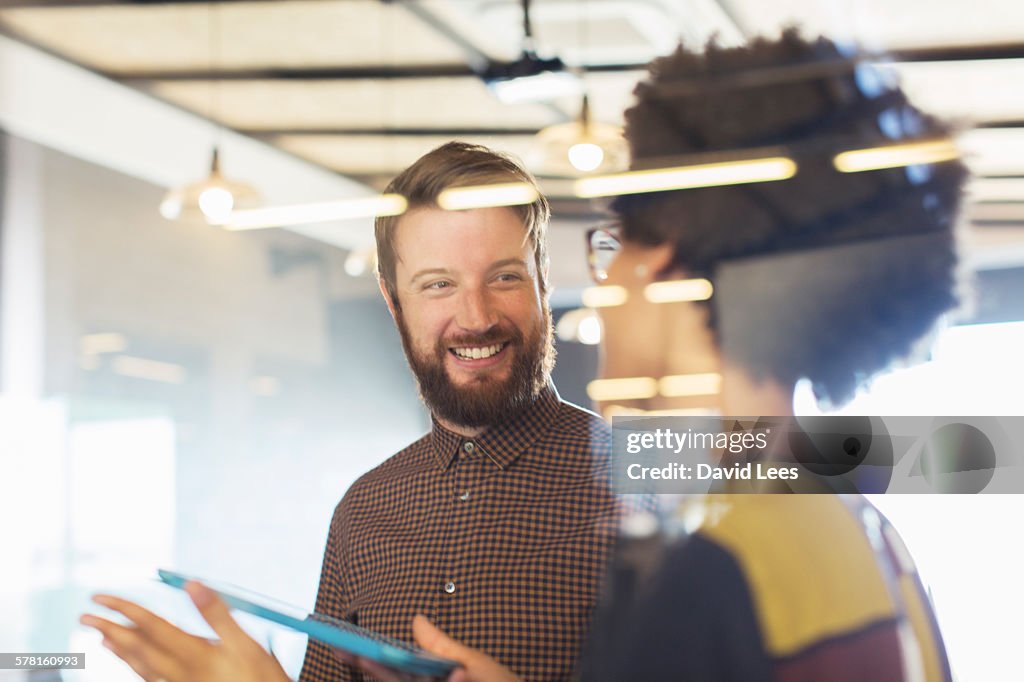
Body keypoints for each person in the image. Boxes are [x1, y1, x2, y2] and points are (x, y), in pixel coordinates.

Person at [84, 30, 964, 682]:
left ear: (663, 265)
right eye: (437, 285)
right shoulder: (845, 528)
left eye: (618, 244)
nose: (607, 278)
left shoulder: (709, 550)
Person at [81, 142, 619, 682]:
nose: (475, 317)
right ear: (394, 302)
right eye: (438, 285)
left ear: (543, 281)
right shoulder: (362, 509)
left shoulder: (664, 468)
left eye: (504, 277)